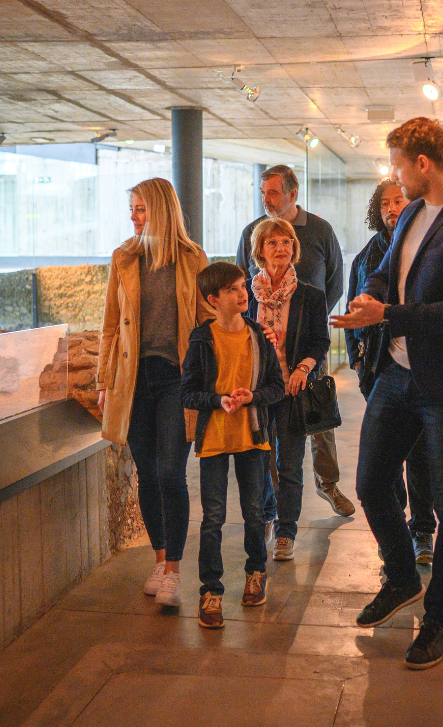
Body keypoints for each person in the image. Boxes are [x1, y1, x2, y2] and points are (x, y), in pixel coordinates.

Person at [332, 117, 443, 669]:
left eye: (398, 166)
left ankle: (437, 621)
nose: (395, 176)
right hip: (397, 374)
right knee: (370, 482)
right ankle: (403, 577)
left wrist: (388, 314)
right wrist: (370, 298)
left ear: (423, 164)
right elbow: (386, 272)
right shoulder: (409, 212)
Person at [97, 177, 214, 609]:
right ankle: (160, 560)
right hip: (133, 381)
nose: (133, 216)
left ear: (161, 210)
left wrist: (210, 379)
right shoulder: (123, 257)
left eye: (141, 208)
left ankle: (175, 571)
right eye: (131, 208)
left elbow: (207, 323)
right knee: (147, 475)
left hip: (176, 380)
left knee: (170, 474)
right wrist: (105, 382)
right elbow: (111, 325)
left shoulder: (192, 258)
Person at [237, 165, 355, 518]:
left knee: (319, 418)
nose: (267, 200)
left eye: (273, 192)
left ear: (293, 193)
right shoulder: (252, 232)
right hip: (266, 356)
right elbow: (242, 284)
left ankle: (328, 484)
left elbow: (335, 281)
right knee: (271, 430)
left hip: (309, 348)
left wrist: (311, 319)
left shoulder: (320, 230)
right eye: (263, 193)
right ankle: (275, 502)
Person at [179, 261, 286, 629]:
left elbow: (277, 387)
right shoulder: (201, 338)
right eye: (233, 289)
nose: (243, 293)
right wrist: (218, 400)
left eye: (243, 286)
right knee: (213, 518)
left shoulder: (258, 335)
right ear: (213, 300)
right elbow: (187, 392)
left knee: (254, 512)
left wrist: (252, 397)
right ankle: (211, 591)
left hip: (252, 438)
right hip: (213, 439)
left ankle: (256, 573)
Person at [346, 179, 436, 565]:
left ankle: (422, 530)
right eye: (385, 203)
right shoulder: (366, 257)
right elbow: (352, 306)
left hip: (418, 368)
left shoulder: (426, 247)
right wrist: (356, 359)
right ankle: (396, 529)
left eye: (398, 200)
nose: (392, 208)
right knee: (384, 458)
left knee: (420, 454)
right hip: (377, 368)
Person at [245, 217, 331, 561]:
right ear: (260, 250)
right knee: (258, 461)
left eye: (286, 242)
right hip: (256, 392)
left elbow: (320, 341)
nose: (281, 248)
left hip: (292, 391)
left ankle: (286, 531)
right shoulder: (245, 294)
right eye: (273, 242)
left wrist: (303, 367)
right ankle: (268, 514)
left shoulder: (310, 295)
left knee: (290, 465)